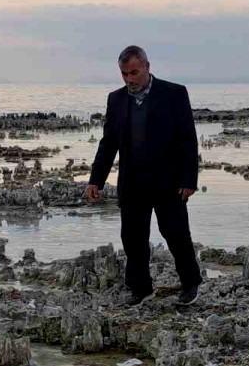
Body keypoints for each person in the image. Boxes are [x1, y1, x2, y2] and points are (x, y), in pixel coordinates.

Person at [85, 45, 202, 306]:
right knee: (133, 239)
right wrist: (96, 179)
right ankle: (140, 288)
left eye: (134, 72)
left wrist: (189, 180)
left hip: (168, 182)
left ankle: (191, 284)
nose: (129, 79)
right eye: (124, 74)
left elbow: (187, 139)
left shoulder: (174, 94)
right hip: (132, 182)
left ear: (147, 67)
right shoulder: (116, 100)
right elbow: (108, 143)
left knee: (176, 235)